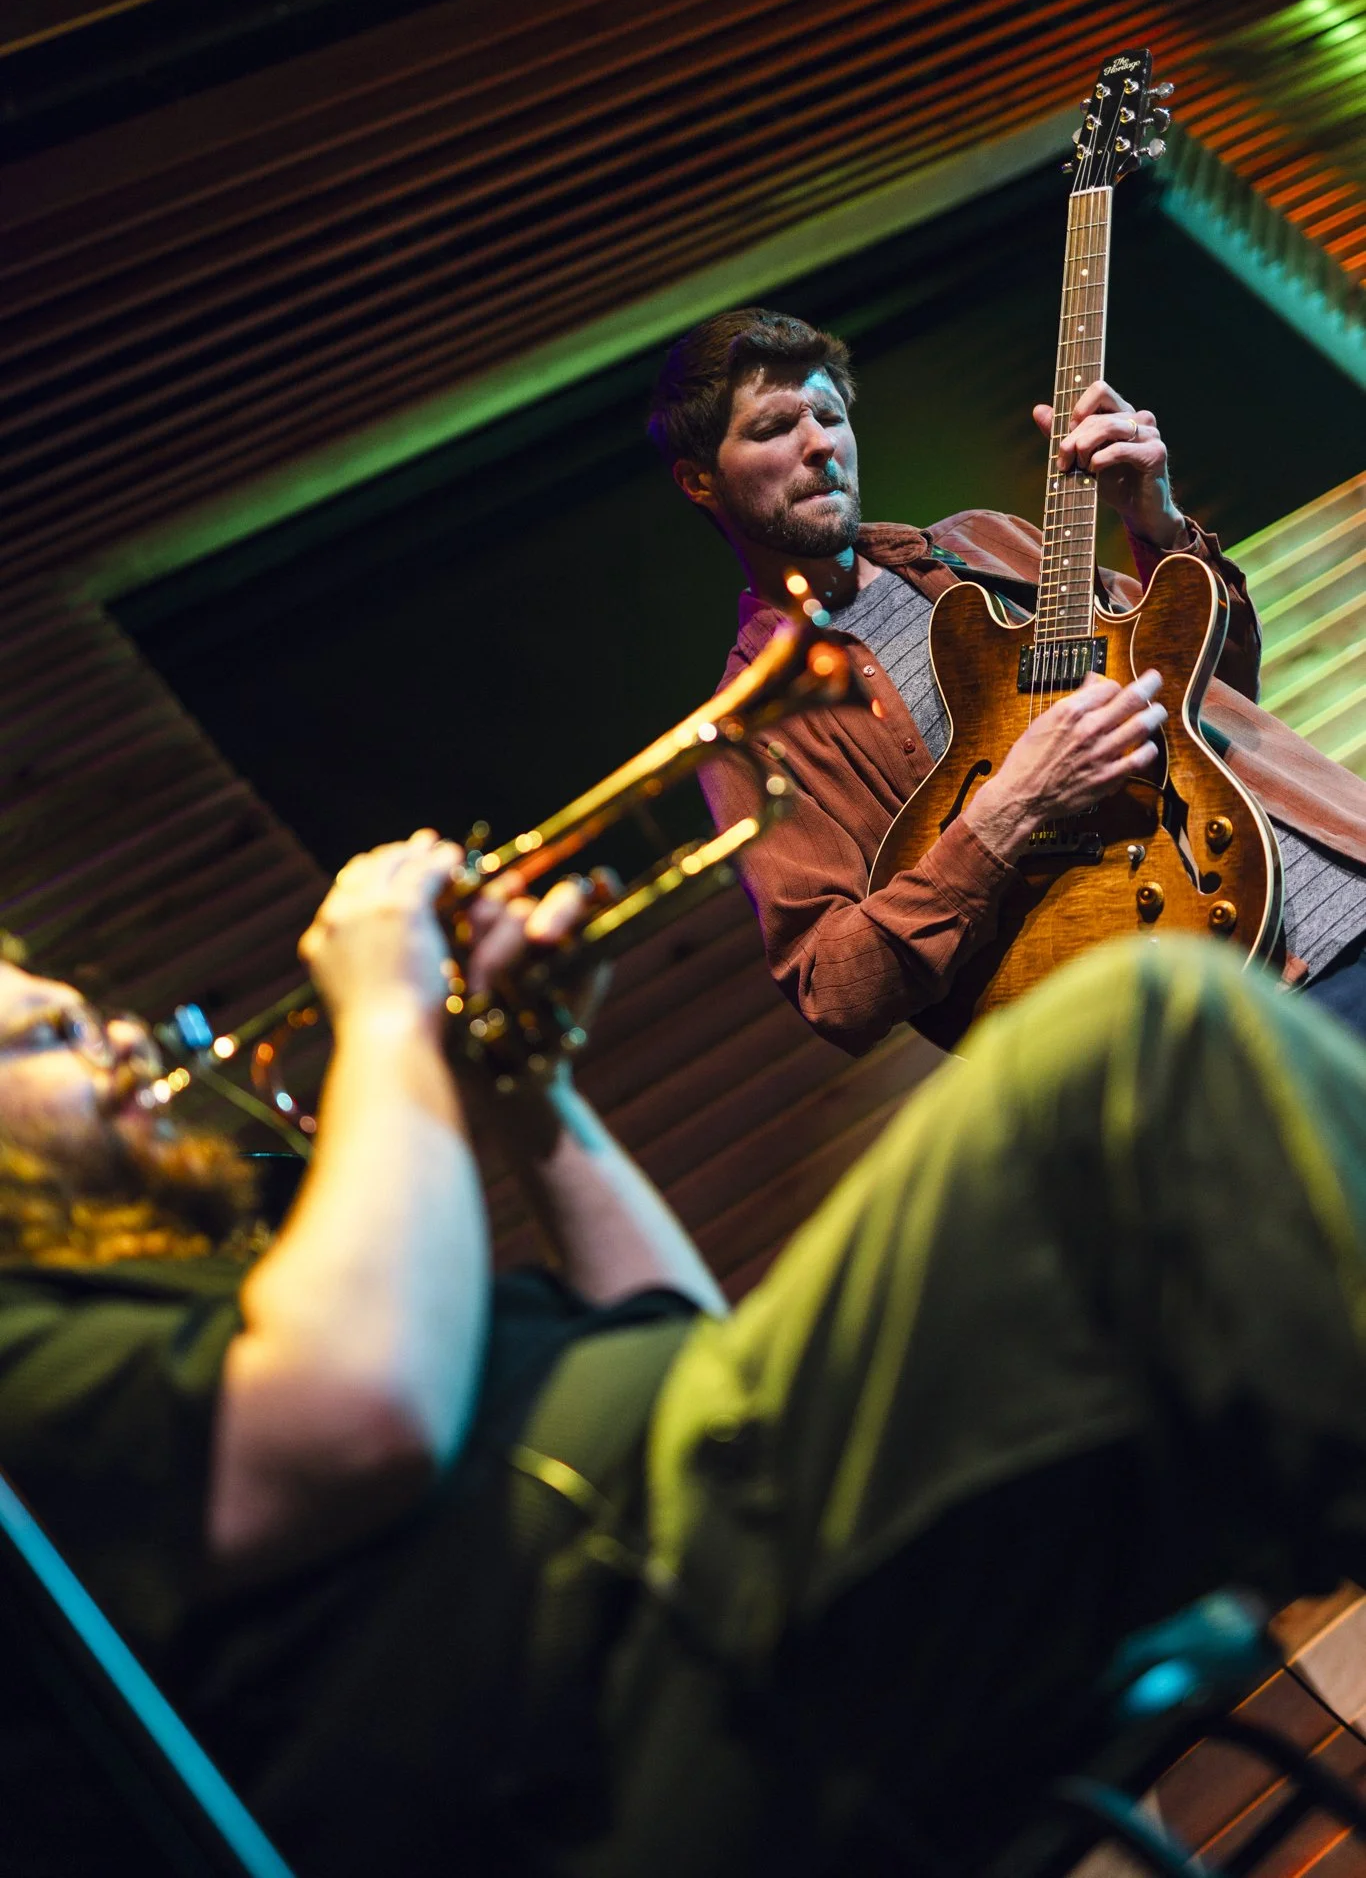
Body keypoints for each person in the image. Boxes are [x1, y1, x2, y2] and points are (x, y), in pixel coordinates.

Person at [5, 834, 1366, 1875]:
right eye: (50, 1035)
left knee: (1179, 1297)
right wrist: (383, 1013)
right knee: (1143, 1040)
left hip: (710, 1529)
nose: (121, 1033)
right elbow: (362, 1414)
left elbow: (682, 1346)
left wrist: (530, 1094)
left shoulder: (201, 1282)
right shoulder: (28, 1360)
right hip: (644, 1675)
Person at [650, 309, 1366, 1052]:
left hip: (1345, 865)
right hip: (1225, 1018)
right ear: (699, 479)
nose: (820, 444)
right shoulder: (752, 728)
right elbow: (833, 989)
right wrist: (1009, 810)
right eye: (773, 429)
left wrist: (1157, 518)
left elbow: (1223, 689)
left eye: (829, 415)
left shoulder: (983, 542)